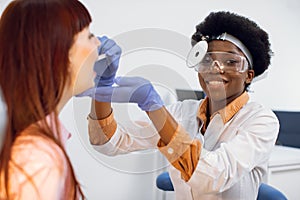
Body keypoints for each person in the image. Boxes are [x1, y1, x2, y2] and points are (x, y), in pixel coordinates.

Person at [81, 11, 279, 199]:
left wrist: (153, 107)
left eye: (231, 62)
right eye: (208, 60)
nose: (216, 69)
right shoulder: (181, 112)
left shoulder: (262, 121)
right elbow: (108, 143)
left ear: (249, 75)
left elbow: (214, 176)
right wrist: (102, 88)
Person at [0, 0, 121, 199]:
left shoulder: (42, 142)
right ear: (60, 53)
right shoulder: (36, 159)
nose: (98, 43)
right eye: (89, 36)